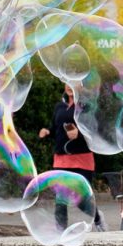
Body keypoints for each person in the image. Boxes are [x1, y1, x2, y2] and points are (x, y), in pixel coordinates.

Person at [38, 83, 106, 232]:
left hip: (82, 158)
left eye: (73, 83)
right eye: (67, 82)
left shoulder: (86, 106)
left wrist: (79, 135)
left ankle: (97, 218)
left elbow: (95, 131)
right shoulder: (59, 106)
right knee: (61, 198)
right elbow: (55, 129)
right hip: (61, 158)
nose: (69, 86)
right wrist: (47, 132)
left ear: (81, 85)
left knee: (83, 199)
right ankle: (60, 231)